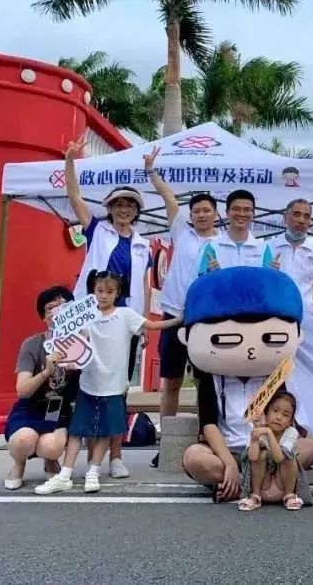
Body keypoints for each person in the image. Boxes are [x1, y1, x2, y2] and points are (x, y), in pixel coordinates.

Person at [64, 140, 176, 477]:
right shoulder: (97, 229)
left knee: (119, 388)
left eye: (129, 205)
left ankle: (115, 455)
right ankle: (80, 456)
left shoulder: (142, 243)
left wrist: (142, 324)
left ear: (136, 211)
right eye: (118, 204)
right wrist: (70, 160)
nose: (124, 209)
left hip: (124, 321)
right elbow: (74, 195)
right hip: (91, 317)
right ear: (110, 208)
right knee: (85, 382)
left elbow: (144, 285)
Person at [180, 266, 313, 503]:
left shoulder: (277, 376)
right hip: (230, 452)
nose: (250, 349)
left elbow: (291, 421)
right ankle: (260, 484)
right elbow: (209, 425)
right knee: (194, 458)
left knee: (309, 447)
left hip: (270, 452)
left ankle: (248, 485)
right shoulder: (213, 378)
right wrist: (228, 463)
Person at [35, 271, 180, 495]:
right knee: (77, 430)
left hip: (113, 385)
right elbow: (73, 338)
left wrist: (179, 319)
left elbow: (152, 325)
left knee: (105, 431)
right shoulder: (86, 314)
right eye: (99, 290)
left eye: (109, 291)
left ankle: (94, 471)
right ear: (93, 291)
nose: (103, 295)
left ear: (117, 293)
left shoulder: (125, 315)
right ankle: (65, 474)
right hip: (88, 382)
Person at [3, 286, 81, 490]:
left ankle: (50, 459)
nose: (57, 313)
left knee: (51, 447)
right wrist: (46, 371)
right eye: (51, 309)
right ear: (43, 317)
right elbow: (22, 390)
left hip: (58, 408)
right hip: (30, 406)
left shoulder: (82, 343)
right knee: (23, 440)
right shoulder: (32, 344)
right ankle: (19, 464)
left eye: (63, 307)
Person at [157, 192, 219, 427]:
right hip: (174, 316)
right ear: (190, 215)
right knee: (172, 382)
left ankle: (207, 434)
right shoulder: (182, 233)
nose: (201, 215)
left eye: (206, 210)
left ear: (216, 214)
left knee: (206, 382)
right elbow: (169, 199)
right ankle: (167, 437)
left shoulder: (223, 243)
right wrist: (152, 174)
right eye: (196, 211)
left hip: (205, 319)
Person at [237, 390, 310, 512]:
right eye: (275, 411)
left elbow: (279, 458)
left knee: (289, 458)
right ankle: (255, 496)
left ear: (290, 421)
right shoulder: (259, 430)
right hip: (263, 486)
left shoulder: (291, 432)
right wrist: (254, 439)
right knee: (261, 454)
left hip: (282, 486)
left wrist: (269, 433)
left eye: (285, 415)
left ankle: (289, 496)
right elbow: (252, 458)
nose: (278, 417)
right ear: (266, 413)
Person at [269, 198, 313, 317]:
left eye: (306, 216)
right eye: (296, 214)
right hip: (275, 315)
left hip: (306, 317)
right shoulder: (269, 247)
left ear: (310, 221)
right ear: (285, 218)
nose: (301, 220)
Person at [210, 189, 266, 268]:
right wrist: (211, 272)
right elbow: (202, 275)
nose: (241, 214)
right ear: (227, 212)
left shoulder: (263, 248)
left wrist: (273, 271)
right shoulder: (212, 246)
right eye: (236, 209)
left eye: (246, 210)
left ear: (253, 214)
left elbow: (269, 275)